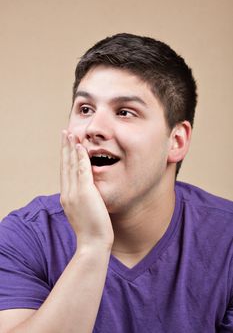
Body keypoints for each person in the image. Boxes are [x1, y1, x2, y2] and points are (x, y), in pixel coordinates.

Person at [0, 33, 232, 333]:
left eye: (125, 112)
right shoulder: (23, 238)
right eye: (85, 109)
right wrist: (92, 247)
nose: (93, 128)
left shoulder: (226, 242)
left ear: (176, 141)